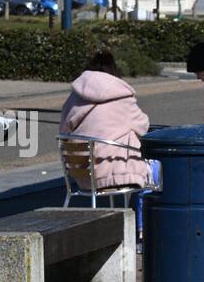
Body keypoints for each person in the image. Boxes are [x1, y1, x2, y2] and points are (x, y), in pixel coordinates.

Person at [59, 50, 154, 191]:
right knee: (155, 168)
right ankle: (140, 212)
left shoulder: (73, 99)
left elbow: (64, 132)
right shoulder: (122, 98)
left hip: (83, 175)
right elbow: (143, 126)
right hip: (120, 175)